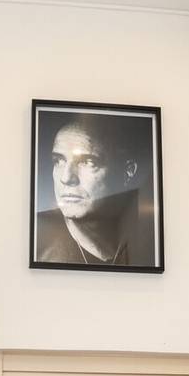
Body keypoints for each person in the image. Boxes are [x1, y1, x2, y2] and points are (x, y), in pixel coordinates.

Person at [34, 113, 154, 267]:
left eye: (88, 162)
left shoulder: (148, 238)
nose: (66, 178)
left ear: (127, 173)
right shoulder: (38, 244)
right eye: (59, 161)